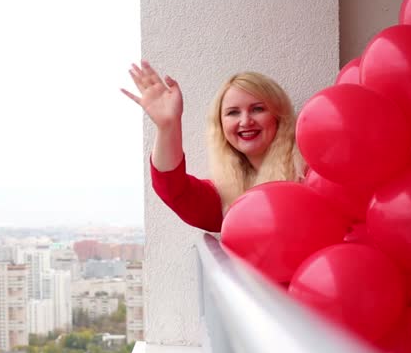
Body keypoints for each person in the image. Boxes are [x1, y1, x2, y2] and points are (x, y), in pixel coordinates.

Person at [122, 61, 304, 233]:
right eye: (233, 112)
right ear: (221, 125)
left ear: (279, 116)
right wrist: (168, 126)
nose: (245, 121)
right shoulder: (226, 196)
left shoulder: (307, 171)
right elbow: (175, 190)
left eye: (257, 109)